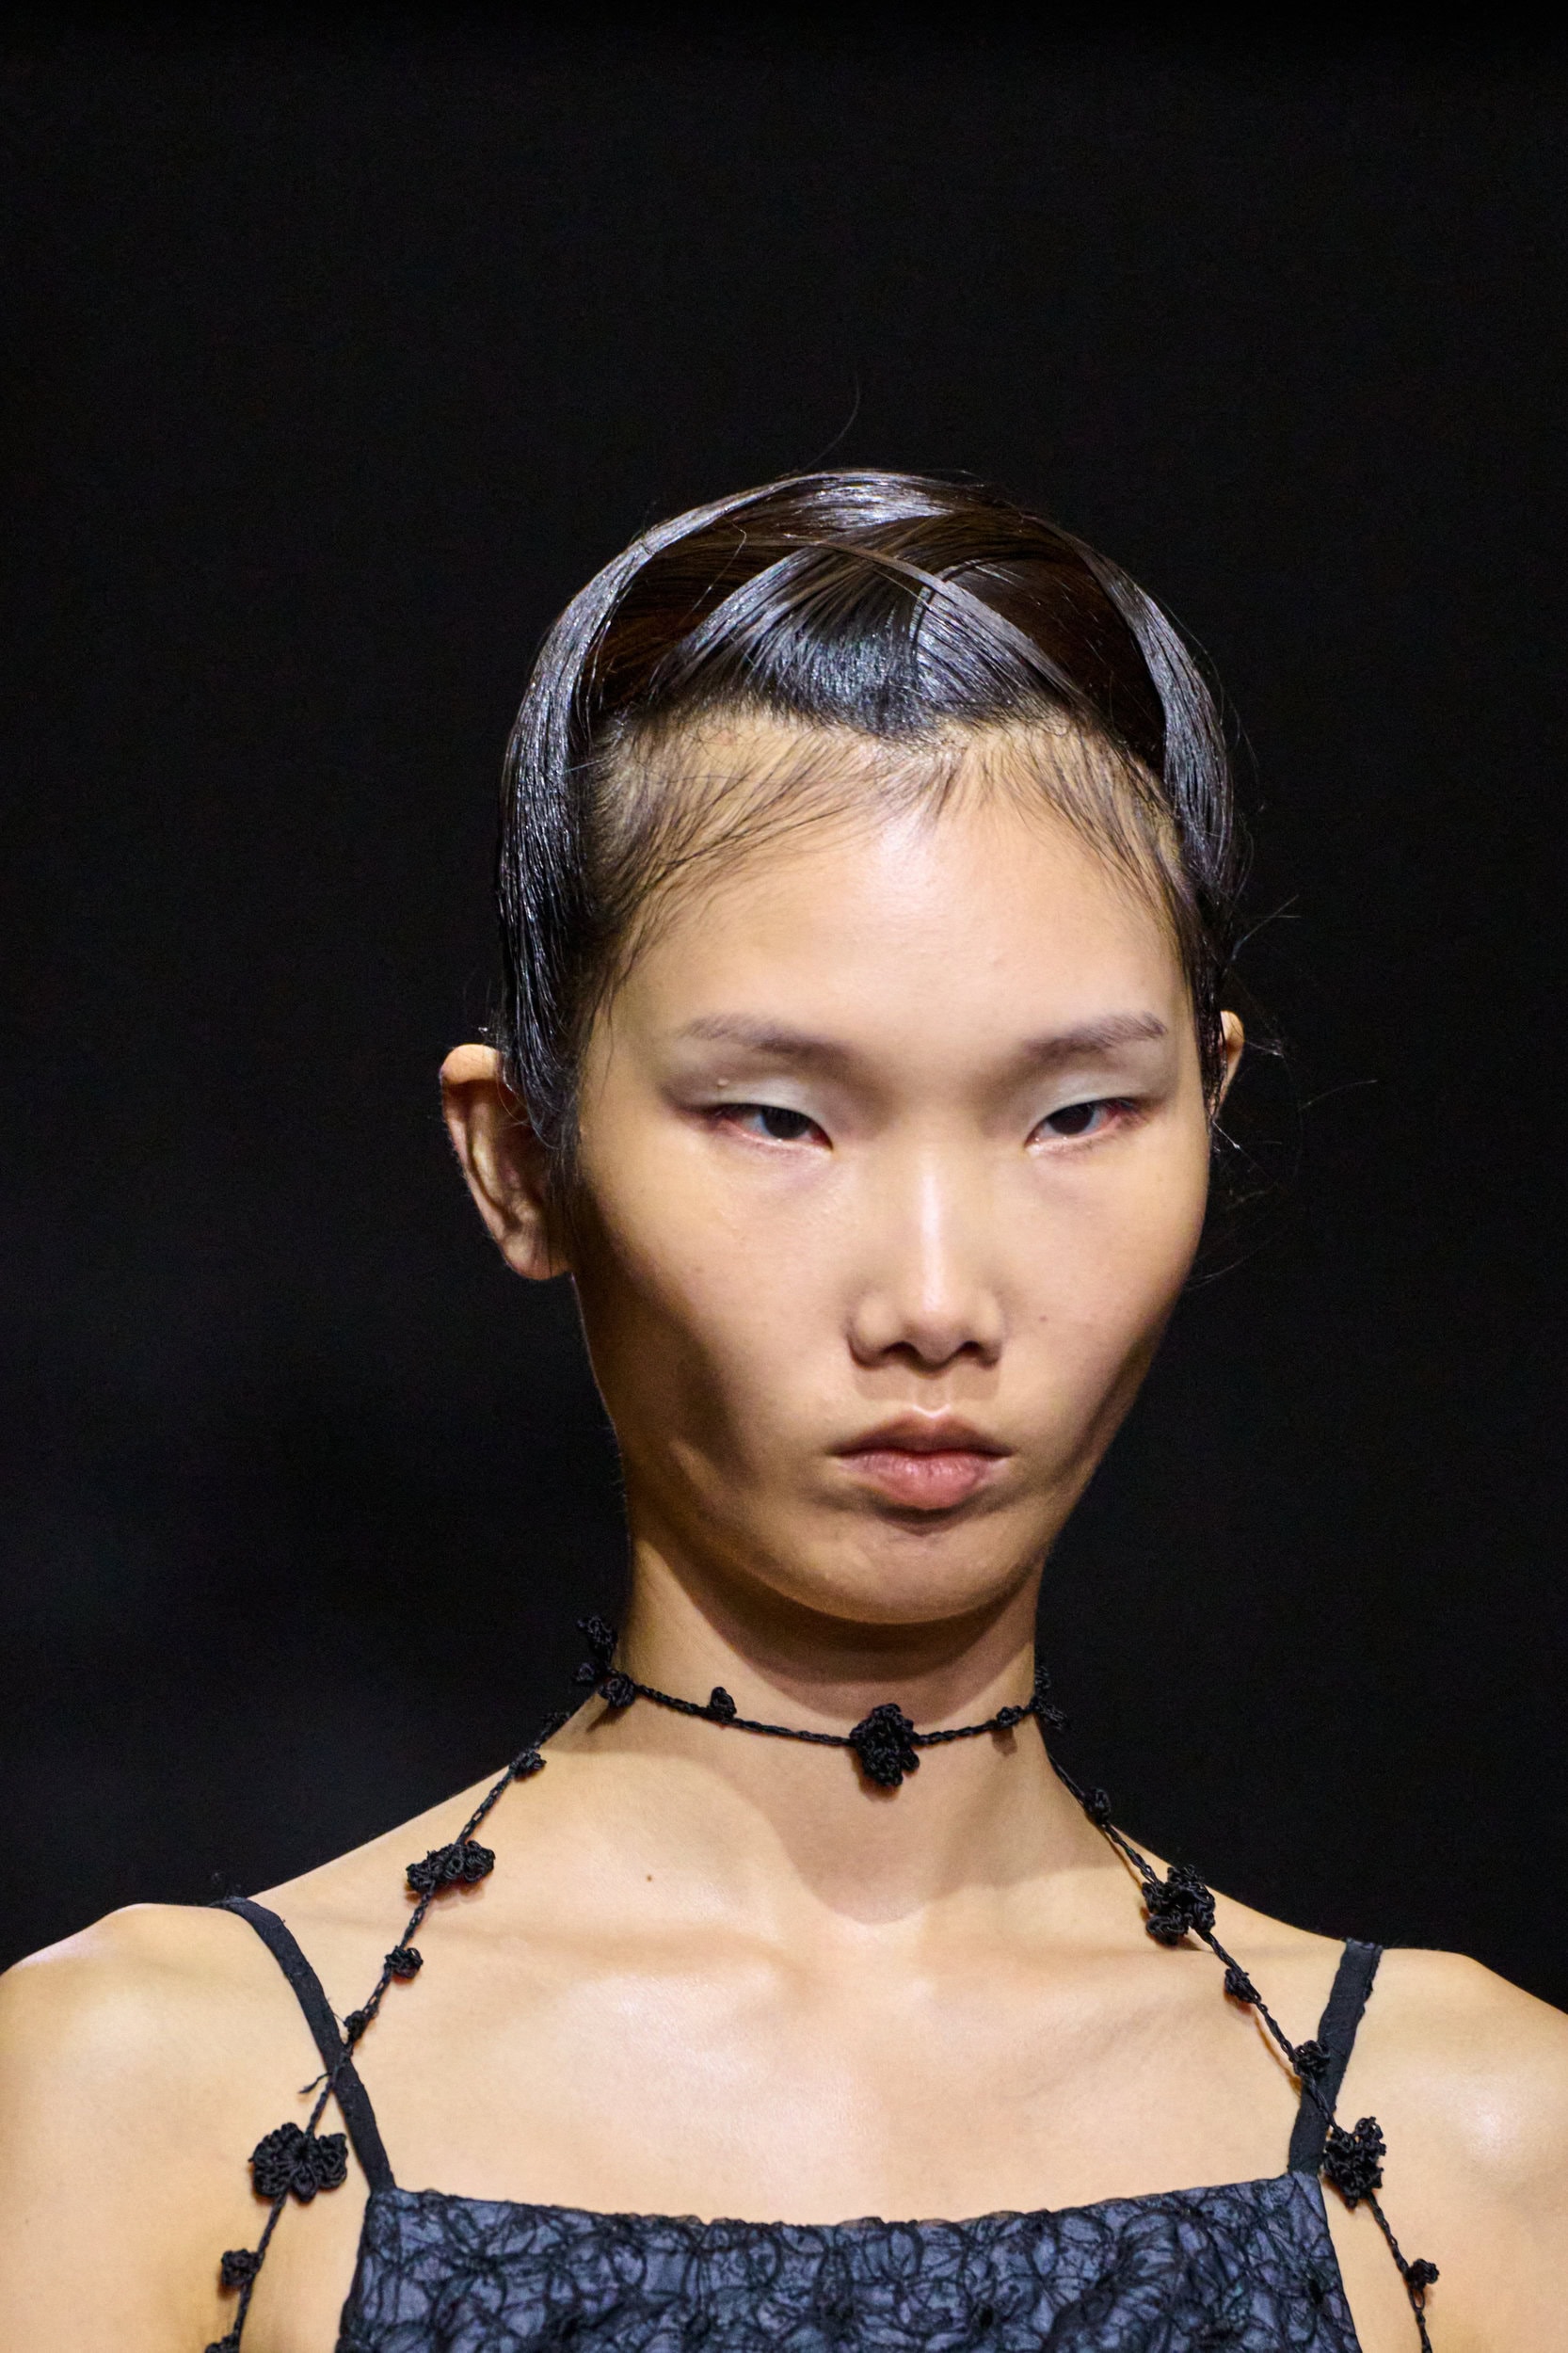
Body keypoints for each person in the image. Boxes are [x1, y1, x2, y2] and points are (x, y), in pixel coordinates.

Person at [2, 471, 1564, 2353]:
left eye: (1076, 1114)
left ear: (1209, 1119)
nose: (934, 1299)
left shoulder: (1486, 2152)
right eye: (776, 1118)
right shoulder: (134, 2111)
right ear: (519, 1159)